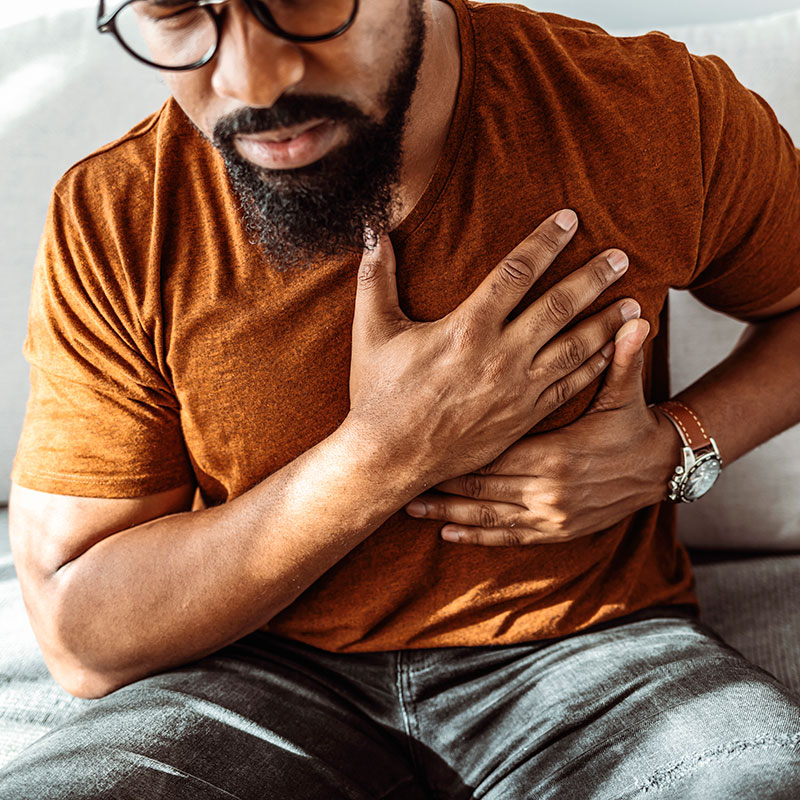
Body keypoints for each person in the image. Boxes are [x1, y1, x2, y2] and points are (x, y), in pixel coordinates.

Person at [2, 0, 800, 796]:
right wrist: (385, 452)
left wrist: (676, 448)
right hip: (246, 666)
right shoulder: (120, 211)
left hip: (594, 648)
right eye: (177, 10)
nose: (250, 80)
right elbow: (83, 639)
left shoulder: (648, 108)